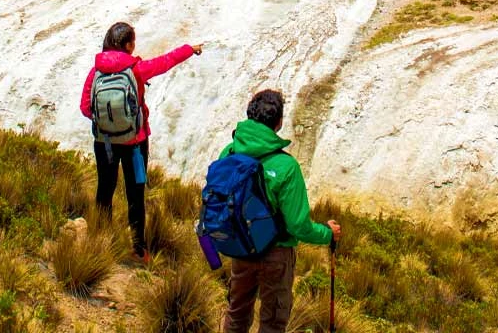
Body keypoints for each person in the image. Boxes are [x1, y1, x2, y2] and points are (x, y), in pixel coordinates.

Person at [78, 22, 202, 260]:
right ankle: (138, 249)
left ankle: (100, 241)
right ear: (127, 45)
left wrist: (107, 121)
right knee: (135, 194)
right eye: (133, 41)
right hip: (136, 143)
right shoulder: (136, 69)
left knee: (105, 189)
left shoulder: (96, 72)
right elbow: (166, 62)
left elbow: (85, 107)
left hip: (104, 143)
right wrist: (190, 49)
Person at [220, 90, 339, 333]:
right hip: (276, 254)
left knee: (236, 315)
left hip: (240, 248)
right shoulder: (286, 166)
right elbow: (298, 226)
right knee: (273, 322)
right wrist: (328, 234)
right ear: (279, 122)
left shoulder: (229, 154)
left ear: (250, 115)